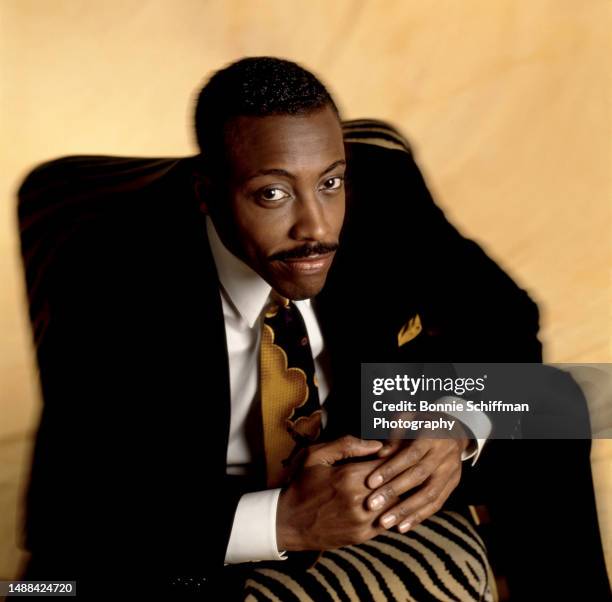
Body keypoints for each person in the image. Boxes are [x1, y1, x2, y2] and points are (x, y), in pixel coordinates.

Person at [16, 57, 609, 599]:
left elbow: (504, 313)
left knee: (555, 400)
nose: (317, 228)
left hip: (377, 417)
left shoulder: (380, 188)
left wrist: (452, 416)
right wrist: (284, 520)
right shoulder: (108, 277)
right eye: (273, 193)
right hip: (207, 491)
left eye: (330, 182)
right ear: (206, 193)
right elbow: (66, 523)